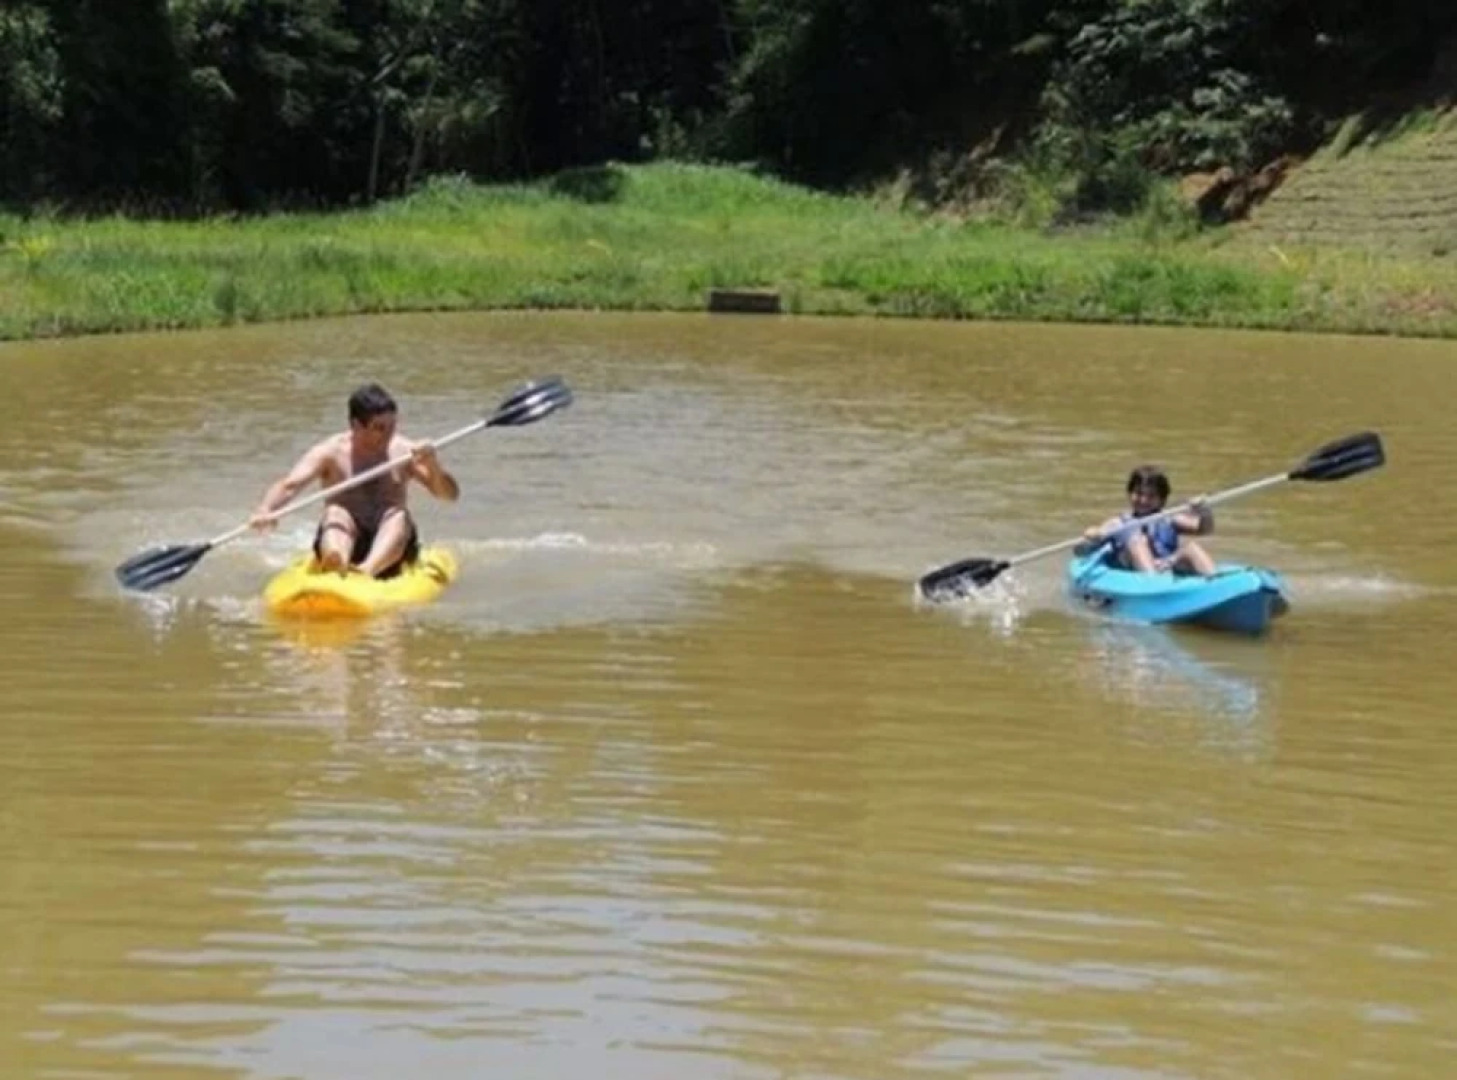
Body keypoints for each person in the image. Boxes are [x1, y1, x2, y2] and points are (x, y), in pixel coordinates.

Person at [250, 383, 459, 578]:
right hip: (346, 536)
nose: (388, 434)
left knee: (397, 514)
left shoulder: (404, 451)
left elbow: (448, 495)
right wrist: (266, 509)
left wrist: (433, 464)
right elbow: (290, 485)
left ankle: (365, 572)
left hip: (390, 542)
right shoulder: (330, 452)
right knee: (335, 512)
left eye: (392, 425)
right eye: (379, 428)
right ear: (356, 425)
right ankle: (336, 559)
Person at [1080, 465, 1216, 576]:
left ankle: (1214, 581)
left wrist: (1204, 512)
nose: (1143, 500)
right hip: (1136, 574)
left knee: (1191, 548)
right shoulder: (1118, 523)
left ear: (1162, 500)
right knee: (1138, 541)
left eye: (1151, 496)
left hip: (1165, 566)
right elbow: (1081, 550)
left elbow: (1205, 529)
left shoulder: (1169, 519)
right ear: (1130, 494)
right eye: (1138, 494)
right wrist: (1093, 536)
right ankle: (1154, 582)